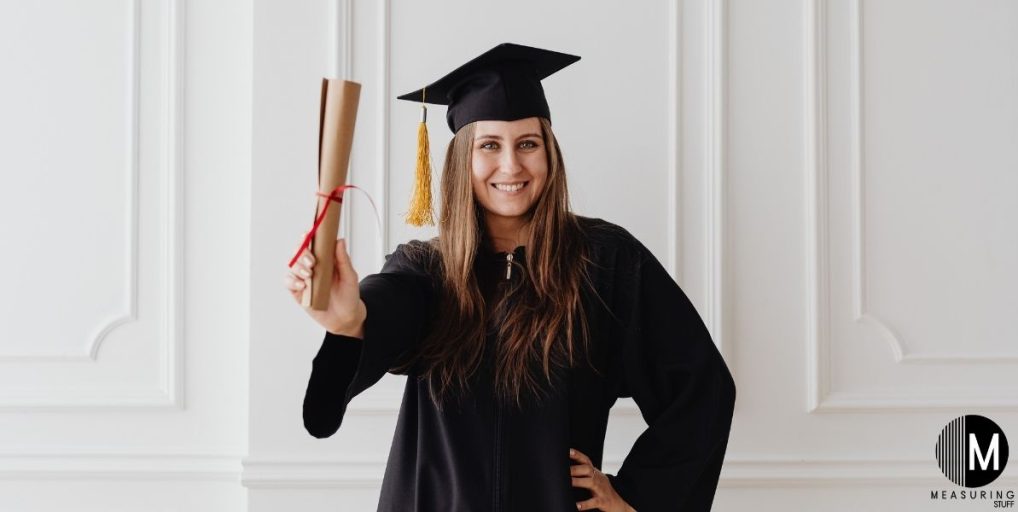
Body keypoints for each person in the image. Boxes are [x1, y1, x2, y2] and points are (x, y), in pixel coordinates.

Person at [286, 42, 736, 512]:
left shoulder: (605, 262)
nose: (511, 166)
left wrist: (637, 496)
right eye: (489, 146)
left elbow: (701, 389)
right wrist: (350, 320)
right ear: (463, 159)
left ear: (549, 153)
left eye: (527, 144)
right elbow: (387, 308)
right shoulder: (426, 270)